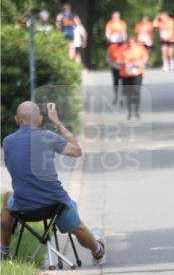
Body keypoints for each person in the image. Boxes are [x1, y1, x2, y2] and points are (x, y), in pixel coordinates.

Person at [1, 102, 105, 264]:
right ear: (40, 120)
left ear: (16, 120)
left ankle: (4, 251)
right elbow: (77, 151)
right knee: (78, 226)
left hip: (24, 208)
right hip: (55, 205)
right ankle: (98, 250)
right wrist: (57, 122)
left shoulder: (7, 142)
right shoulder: (48, 136)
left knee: (8, 197)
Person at [118, 36, 149, 119]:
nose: (130, 44)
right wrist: (124, 62)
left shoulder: (140, 49)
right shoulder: (122, 49)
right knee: (128, 94)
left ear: (135, 42)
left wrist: (139, 62)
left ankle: (136, 110)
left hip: (137, 73)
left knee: (136, 91)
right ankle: (129, 112)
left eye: (132, 43)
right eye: (128, 43)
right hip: (126, 74)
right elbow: (118, 60)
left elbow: (145, 58)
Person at [106, 41, 126, 107]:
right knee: (115, 82)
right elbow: (108, 56)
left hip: (123, 67)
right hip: (115, 67)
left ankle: (122, 98)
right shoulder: (111, 47)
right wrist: (111, 63)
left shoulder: (125, 46)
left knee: (124, 83)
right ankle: (116, 96)